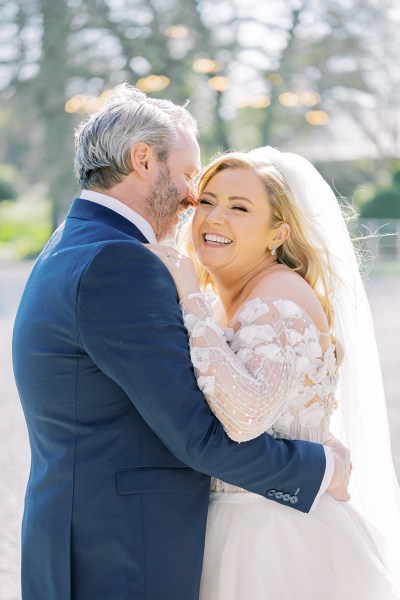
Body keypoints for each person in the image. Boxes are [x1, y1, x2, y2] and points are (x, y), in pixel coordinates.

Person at [12, 84, 350, 600]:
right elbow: (198, 436)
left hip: (92, 540)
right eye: (193, 176)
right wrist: (321, 467)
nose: (195, 198)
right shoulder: (119, 263)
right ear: (143, 159)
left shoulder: (73, 241)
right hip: (122, 553)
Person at [149, 148, 400, 599]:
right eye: (207, 201)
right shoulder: (229, 299)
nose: (215, 217)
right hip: (237, 520)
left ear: (277, 233)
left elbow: (245, 416)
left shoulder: (278, 294)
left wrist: (188, 296)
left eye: (240, 208)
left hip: (276, 536)